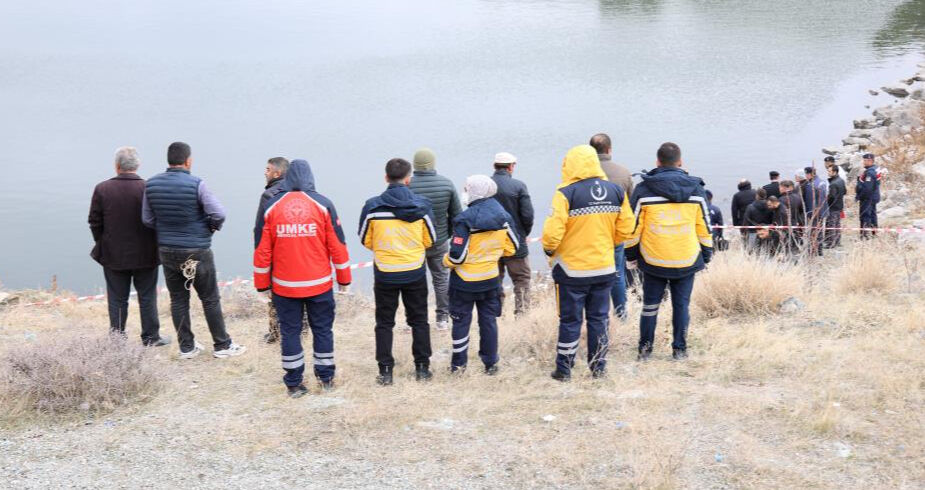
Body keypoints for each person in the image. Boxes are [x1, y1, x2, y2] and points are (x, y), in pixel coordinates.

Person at [254, 160, 351, 398]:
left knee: (290, 332)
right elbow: (337, 246)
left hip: (285, 287)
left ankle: (294, 383)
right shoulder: (323, 204)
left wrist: (262, 285)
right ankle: (326, 378)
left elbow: (262, 249)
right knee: (323, 330)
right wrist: (344, 280)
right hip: (319, 284)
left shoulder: (272, 205)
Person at [143, 142, 245, 359]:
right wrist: (210, 227)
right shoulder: (196, 184)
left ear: (168, 160)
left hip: (168, 250)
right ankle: (222, 345)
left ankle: (186, 347)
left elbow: (147, 219)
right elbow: (219, 213)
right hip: (197, 250)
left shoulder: (151, 185)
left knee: (178, 299)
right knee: (209, 298)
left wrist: (166, 229)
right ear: (188, 160)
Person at [542, 145, 634, 381]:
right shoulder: (615, 191)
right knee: (599, 319)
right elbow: (626, 228)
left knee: (570, 320)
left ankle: (564, 369)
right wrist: (606, 242)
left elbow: (553, 232)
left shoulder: (565, 192)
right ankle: (598, 367)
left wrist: (550, 250)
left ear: (570, 164)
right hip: (603, 266)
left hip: (572, 270)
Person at [626, 142, 713, 361]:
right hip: (686, 258)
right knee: (681, 306)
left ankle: (645, 350)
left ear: (657, 162)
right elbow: (704, 226)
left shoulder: (644, 190)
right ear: (680, 162)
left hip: (654, 258)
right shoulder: (696, 189)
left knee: (650, 306)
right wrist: (707, 252)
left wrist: (631, 254)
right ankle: (679, 350)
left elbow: (633, 227)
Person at [359, 158, 436, 385]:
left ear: (386, 178)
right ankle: (422, 368)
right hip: (414, 270)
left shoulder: (373, 206)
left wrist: (385, 249)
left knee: (384, 322)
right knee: (419, 320)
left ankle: (385, 372)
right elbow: (430, 239)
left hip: (385, 271)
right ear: (408, 179)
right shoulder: (422, 206)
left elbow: (365, 239)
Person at [88, 147, 168, 347]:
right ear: (138, 166)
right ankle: (151, 337)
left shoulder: (102, 189)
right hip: (146, 253)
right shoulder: (148, 188)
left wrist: (103, 241)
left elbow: (94, 222)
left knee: (117, 298)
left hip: (114, 254)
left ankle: (117, 340)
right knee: (148, 296)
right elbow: (158, 220)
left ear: (117, 166)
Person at [444, 175, 518, 375]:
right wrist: (492, 252)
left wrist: (446, 261)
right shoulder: (504, 217)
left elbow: (457, 257)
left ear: (474, 192)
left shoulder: (464, 220)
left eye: (466, 189)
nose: (464, 192)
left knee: (461, 322)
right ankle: (491, 363)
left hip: (464, 282)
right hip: (490, 279)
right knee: (488, 322)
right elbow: (513, 248)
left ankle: (459, 366)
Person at [408, 148, 462, 331]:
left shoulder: (407, 186)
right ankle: (442, 318)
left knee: (416, 280)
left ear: (414, 165)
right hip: (439, 240)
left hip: (414, 242)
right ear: (433, 163)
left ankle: (417, 317)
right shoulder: (446, 184)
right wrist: (447, 235)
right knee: (441, 278)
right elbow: (457, 216)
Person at [590, 133, 634, 320]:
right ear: (609, 150)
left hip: (589, 234)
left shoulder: (579, 174)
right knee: (617, 275)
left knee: (591, 276)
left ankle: (596, 316)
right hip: (615, 233)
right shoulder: (623, 172)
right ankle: (621, 316)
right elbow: (630, 205)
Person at [490, 152, 534, 316]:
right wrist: (523, 234)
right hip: (515, 241)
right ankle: (521, 314)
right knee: (521, 278)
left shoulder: (485, 186)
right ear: (511, 167)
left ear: (494, 166)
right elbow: (528, 215)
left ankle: (494, 313)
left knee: (494, 278)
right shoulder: (519, 186)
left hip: (490, 241)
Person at [254, 157, 290, 344]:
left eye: (268, 169)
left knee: (275, 296)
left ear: (277, 173)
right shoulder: (298, 192)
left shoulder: (269, 196)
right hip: (295, 251)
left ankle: (275, 332)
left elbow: (260, 230)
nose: (265, 172)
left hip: (276, 253)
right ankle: (303, 329)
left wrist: (261, 258)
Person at [802, 166, 829, 256]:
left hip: (816, 213)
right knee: (816, 231)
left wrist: (815, 213)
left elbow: (821, 200)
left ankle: (816, 250)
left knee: (816, 231)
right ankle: (815, 249)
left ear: (810, 174)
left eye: (806, 174)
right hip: (814, 212)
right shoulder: (813, 182)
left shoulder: (817, 184)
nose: (806, 176)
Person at [856, 153, 881, 239]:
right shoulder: (875, 169)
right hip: (873, 197)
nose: (864, 162)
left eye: (865, 160)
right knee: (873, 215)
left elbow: (867, 188)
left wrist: (860, 196)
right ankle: (874, 232)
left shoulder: (870, 173)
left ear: (870, 161)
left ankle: (865, 235)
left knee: (865, 215)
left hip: (867, 198)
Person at [778, 180, 805, 254]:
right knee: (796, 240)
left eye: (780, 187)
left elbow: (780, 214)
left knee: (786, 242)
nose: (779, 189)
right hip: (796, 223)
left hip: (785, 224)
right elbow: (801, 211)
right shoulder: (798, 197)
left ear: (785, 188)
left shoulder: (781, 200)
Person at [825, 163, 846, 248]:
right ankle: (837, 241)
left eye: (829, 171)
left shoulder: (833, 184)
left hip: (833, 207)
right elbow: (845, 192)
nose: (828, 173)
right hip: (840, 205)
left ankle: (831, 243)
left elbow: (831, 197)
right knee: (837, 224)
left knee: (831, 225)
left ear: (834, 172)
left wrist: (826, 202)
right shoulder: (841, 180)